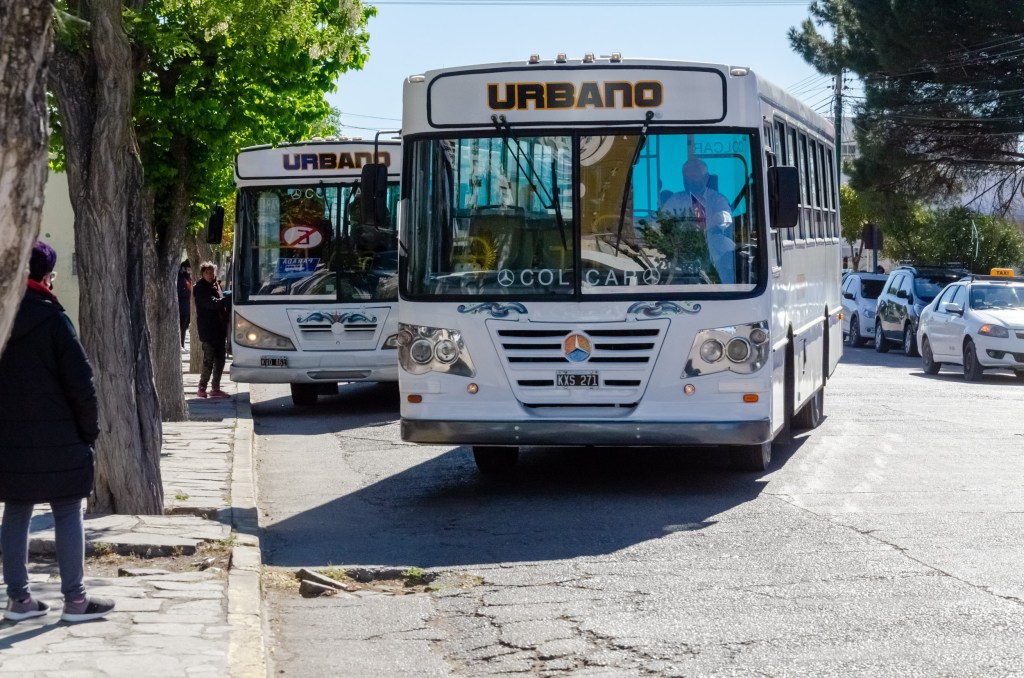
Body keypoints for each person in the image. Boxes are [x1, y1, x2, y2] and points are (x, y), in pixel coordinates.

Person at [0, 241, 115, 623]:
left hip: (11, 443)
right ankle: (76, 601)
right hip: (61, 439)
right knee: (67, 511)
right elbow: (82, 384)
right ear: (44, 276)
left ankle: (19, 601)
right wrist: (90, 432)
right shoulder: (53, 319)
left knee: (16, 512)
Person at [659, 157, 736, 283]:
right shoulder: (676, 200)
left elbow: (725, 217)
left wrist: (707, 224)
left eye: (695, 178)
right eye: (687, 179)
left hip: (711, 242)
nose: (691, 182)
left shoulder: (717, 199)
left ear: (706, 178)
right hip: (679, 247)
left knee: (730, 254)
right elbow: (662, 219)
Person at [193, 261, 231, 399]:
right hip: (208, 330)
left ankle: (215, 388)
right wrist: (226, 300)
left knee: (220, 359)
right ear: (202, 274)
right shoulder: (200, 288)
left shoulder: (216, 285)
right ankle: (202, 387)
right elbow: (211, 303)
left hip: (220, 328)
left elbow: (219, 298)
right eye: (207, 273)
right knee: (208, 360)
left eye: (211, 272)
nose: (209, 275)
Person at [177, 260, 192, 348]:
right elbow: (179, 292)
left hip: (188, 308)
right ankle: (180, 345)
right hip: (182, 308)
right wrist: (189, 293)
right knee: (181, 328)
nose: (190, 271)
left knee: (184, 327)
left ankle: (182, 344)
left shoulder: (188, 278)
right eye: (188, 269)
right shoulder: (180, 278)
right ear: (183, 268)